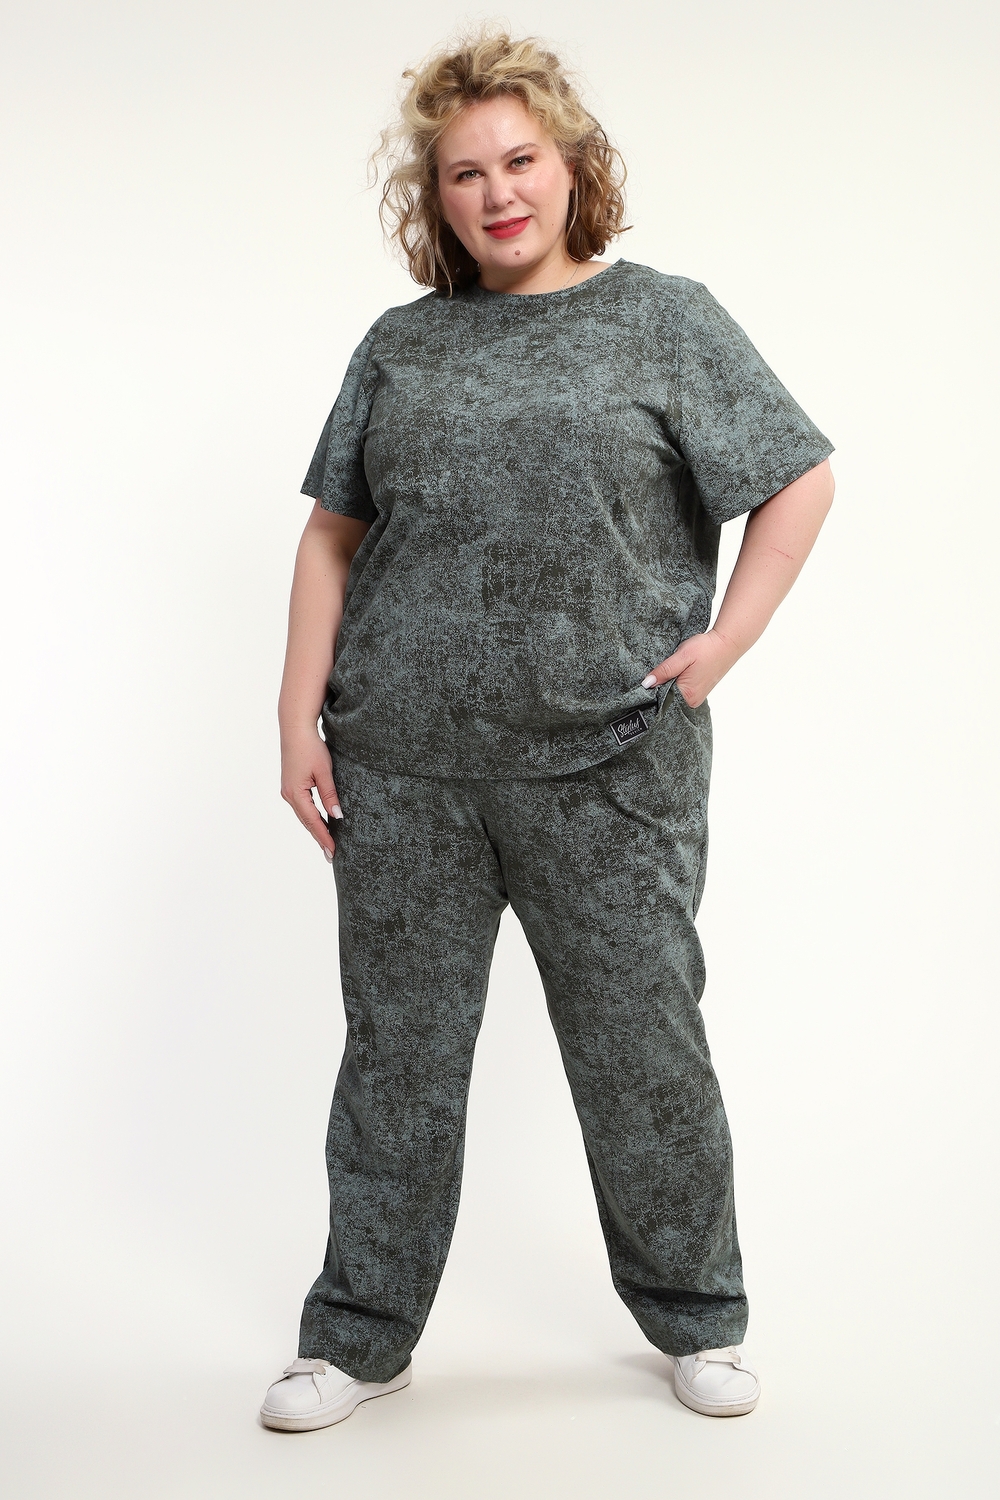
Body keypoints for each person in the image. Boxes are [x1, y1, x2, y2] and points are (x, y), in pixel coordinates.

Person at [259, 30, 835, 1432]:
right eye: (466, 173)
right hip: (403, 767)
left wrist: (724, 645)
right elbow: (332, 537)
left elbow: (799, 478)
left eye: (520, 160)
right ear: (436, 197)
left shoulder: (665, 320)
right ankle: (360, 1336)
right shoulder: (400, 346)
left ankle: (698, 1315)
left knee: (644, 1051)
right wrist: (295, 718)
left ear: (573, 166)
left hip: (612, 764)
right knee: (396, 1062)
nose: (498, 193)